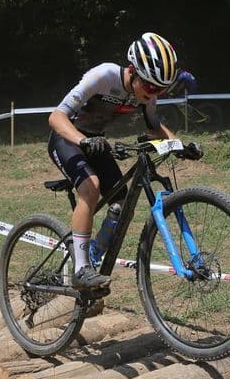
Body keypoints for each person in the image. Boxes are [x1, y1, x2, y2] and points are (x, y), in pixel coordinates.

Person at [48, 32, 179, 289]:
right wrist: (82, 141)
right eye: (152, 87)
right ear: (134, 71)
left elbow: (155, 127)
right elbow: (56, 117)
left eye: (162, 89)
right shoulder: (104, 76)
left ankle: (91, 255)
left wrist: (179, 145)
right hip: (66, 138)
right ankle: (81, 269)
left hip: (96, 142)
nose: (155, 94)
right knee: (91, 187)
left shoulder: (147, 93)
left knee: (120, 202)